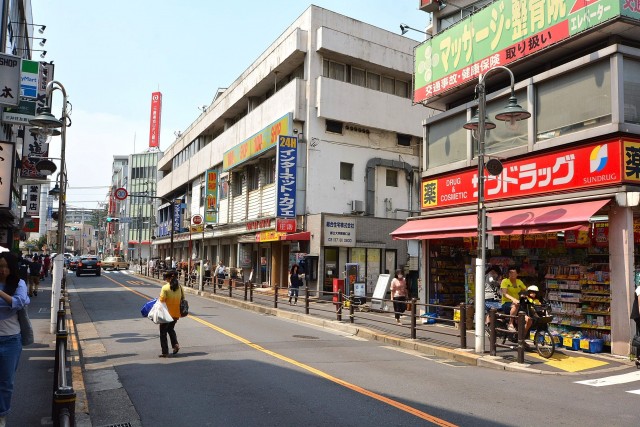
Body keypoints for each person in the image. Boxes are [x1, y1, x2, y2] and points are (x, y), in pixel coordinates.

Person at [0, 252, 31, 426]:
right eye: (0, 266)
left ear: (12, 268)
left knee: (5, 382)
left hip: (11, 340)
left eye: (6, 267)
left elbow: (19, 302)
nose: (3, 270)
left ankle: (1, 415)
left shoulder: (19, 283)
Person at [158, 270, 182, 358]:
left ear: (168, 278)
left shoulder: (165, 288)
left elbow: (161, 299)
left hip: (166, 314)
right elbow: (182, 298)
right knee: (171, 329)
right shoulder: (180, 287)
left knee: (163, 332)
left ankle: (165, 352)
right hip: (176, 313)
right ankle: (175, 344)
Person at [500, 267, 527, 332]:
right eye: (510, 273)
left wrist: (525, 294)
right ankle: (510, 323)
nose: (511, 274)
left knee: (528, 318)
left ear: (517, 274)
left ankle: (523, 336)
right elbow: (505, 294)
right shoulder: (505, 281)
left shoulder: (519, 282)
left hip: (518, 303)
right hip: (506, 303)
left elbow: (525, 290)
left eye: (513, 273)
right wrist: (513, 299)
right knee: (515, 305)